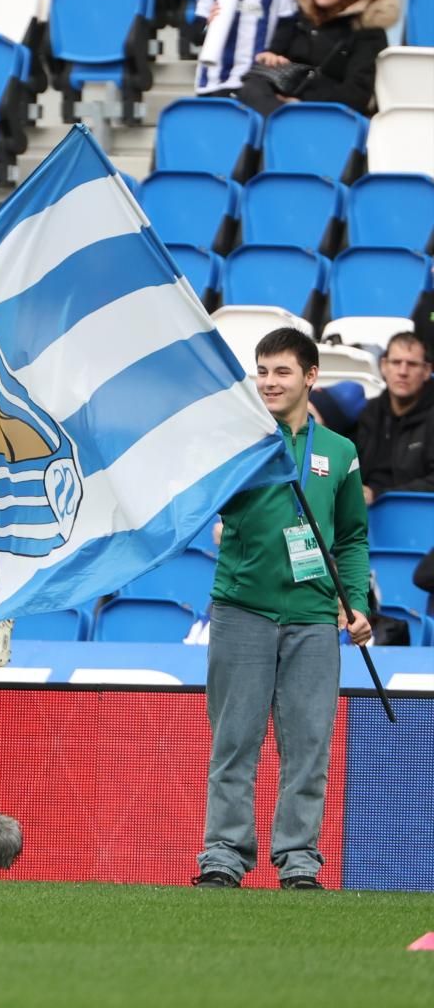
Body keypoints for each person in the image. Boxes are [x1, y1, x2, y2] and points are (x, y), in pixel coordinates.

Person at [194, 327, 371, 890]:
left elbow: (352, 539)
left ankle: (298, 861)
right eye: (262, 371)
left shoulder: (340, 453)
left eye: (281, 372)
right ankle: (223, 856)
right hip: (241, 609)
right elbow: (202, 502)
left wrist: (357, 604)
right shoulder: (239, 441)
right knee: (234, 744)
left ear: (310, 376)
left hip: (315, 618)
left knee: (308, 749)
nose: (269, 382)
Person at [237, 0, 398, 116]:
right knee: (250, 88)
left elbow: (356, 95)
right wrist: (274, 61)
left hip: (332, 116)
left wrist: (301, 102)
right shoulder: (298, 19)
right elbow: (274, 60)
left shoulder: (368, 29)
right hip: (279, 103)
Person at [187, 0, 296, 97]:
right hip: (212, 83)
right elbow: (195, 35)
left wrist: (274, 52)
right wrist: (208, 23)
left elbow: (288, 22)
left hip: (256, 81)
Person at [355, 333, 434, 502]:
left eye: (412, 364)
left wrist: (380, 495)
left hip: (413, 513)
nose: (403, 372)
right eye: (396, 362)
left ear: (427, 371)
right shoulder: (369, 411)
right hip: (364, 515)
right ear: (383, 366)